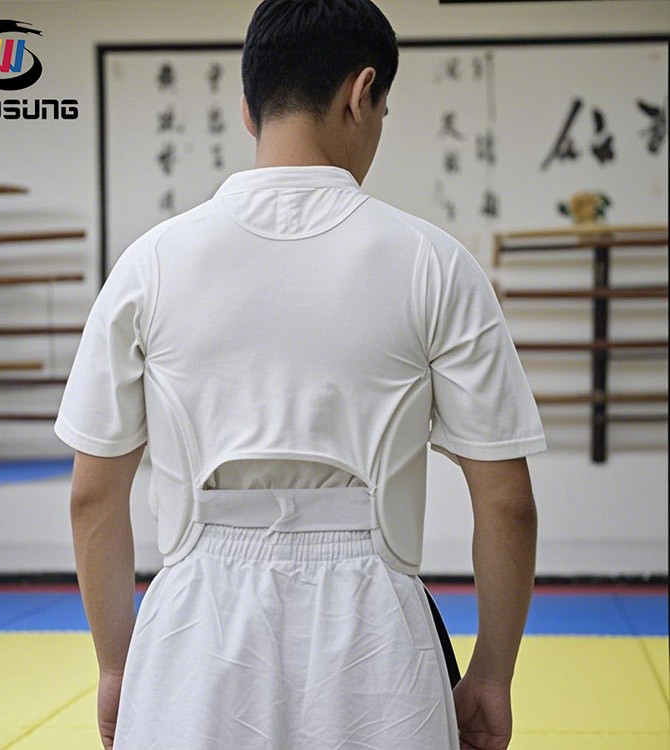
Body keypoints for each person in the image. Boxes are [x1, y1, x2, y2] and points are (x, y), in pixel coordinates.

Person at [54, 1, 546, 748]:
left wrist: (119, 667)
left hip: (191, 643)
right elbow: (507, 504)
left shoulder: (148, 265)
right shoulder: (435, 263)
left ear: (248, 108)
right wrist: (491, 675)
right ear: (362, 93)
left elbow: (93, 495)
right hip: (376, 652)